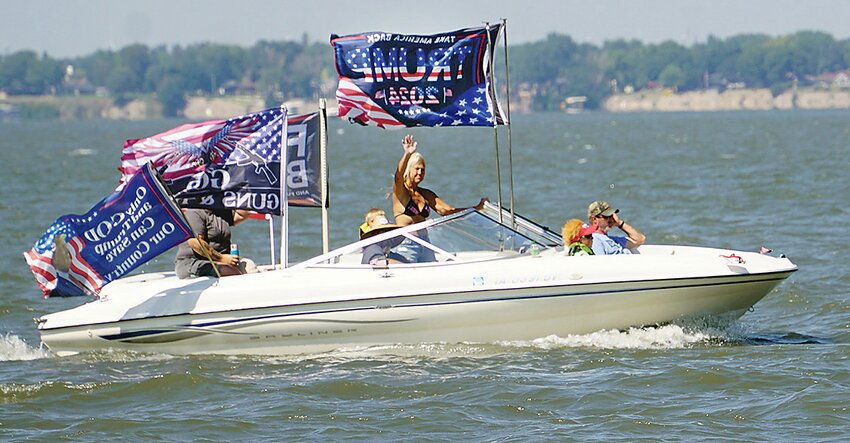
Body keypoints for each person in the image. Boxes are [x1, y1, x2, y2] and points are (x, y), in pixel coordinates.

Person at [391, 134, 487, 262]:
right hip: (407, 243)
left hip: (425, 243)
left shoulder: (425, 194)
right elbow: (397, 176)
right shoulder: (400, 192)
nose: (420, 173)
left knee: (432, 275)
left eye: (423, 170)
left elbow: (447, 211)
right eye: (417, 169)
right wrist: (407, 154)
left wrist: (477, 208)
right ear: (408, 170)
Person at [175, 208, 257, 279]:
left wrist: (237, 197)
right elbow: (195, 243)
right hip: (193, 264)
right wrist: (221, 258)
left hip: (224, 261)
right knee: (230, 272)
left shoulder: (219, 211)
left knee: (250, 266)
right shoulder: (193, 213)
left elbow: (242, 215)